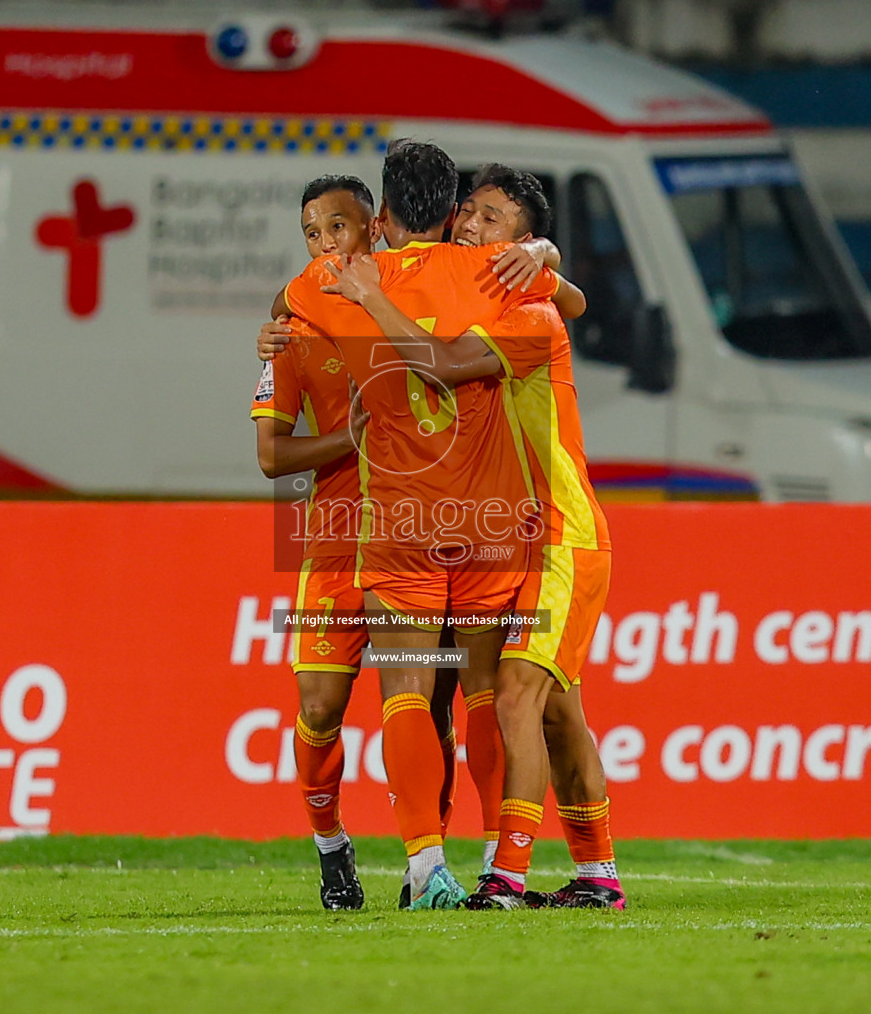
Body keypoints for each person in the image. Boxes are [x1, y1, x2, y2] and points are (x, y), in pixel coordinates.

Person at [326, 163, 625, 910]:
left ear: (520, 241)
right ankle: (597, 875)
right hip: (519, 535)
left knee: (518, 697)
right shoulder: (498, 292)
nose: (470, 225)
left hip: (564, 535)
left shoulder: (529, 314)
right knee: (559, 711)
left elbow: (437, 365)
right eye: (470, 212)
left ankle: (505, 877)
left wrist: (368, 294)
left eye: (492, 219)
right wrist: (548, 257)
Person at [278, 141, 565, 909]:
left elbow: (284, 308)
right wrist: (539, 249)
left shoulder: (331, 280)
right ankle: (496, 868)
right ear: (452, 212)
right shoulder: (502, 272)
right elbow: (567, 306)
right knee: (480, 694)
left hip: (398, 519)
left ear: (380, 216)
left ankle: (422, 868)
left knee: (404, 691)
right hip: (489, 520)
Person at [252, 174, 458, 910]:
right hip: (337, 539)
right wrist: (349, 438)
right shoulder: (293, 328)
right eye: (311, 232)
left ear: (373, 228)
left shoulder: (411, 295)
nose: (323, 244)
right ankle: (331, 848)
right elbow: (272, 457)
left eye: (336, 228)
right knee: (319, 707)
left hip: (415, 530)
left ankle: (423, 865)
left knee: (428, 707)